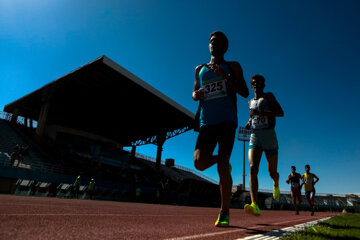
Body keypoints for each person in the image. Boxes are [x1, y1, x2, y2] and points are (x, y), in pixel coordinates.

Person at [192, 31, 249, 227]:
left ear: (225, 47)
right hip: (206, 122)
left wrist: (225, 76)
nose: (212, 43)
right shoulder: (199, 68)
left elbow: (244, 92)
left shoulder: (233, 66)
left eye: (217, 41)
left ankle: (224, 212)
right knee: (199, 163)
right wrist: (196, 94)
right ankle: (223, 161)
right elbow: (193, 93)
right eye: (210, 41)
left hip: (227, 120)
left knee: (222, 167)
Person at [244, 74, 284, 216]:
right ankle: (255, 204)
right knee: (253, 167)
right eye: (254, 83)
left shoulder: (269, 96)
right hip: (255, 135)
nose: (257, 85)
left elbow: (280, 112)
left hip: (269, 135)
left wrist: (261, 112)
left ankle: (276, 182)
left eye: (260, 83)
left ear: (263, 85)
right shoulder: (250, 102)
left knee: (272, 172)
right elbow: (253, 116)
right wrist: (249, 123)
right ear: (252, 86)